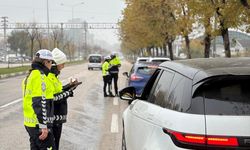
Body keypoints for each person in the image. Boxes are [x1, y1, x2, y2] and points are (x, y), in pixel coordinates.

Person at [22, 49, 56, 150]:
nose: (51, 65)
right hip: (38, 125)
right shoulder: (39, 76)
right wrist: (43, 126)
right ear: (46, 62)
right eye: (51, 62)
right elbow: (39, 102)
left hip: (30, 123)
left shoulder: (30, 75)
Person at [49, 48, 77, 150]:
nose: (64, 66)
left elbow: (59, 91)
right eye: (62, 63)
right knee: (54, 145)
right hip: (54, 118)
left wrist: (69, 86)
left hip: (58, 118)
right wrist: (68, 93)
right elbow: (54, 98)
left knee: (56, 144)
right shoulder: (49, 77)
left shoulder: (54, 77)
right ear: (56, 64)